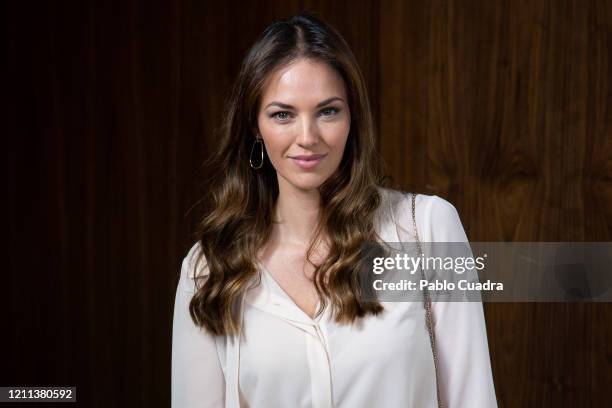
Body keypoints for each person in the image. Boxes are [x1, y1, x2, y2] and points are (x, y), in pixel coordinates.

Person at [171, 12, 497, 408]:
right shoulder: (209, 270)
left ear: (352, 117)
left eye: (328, 111)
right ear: (255, 127)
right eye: (282, 114)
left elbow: (472, 398)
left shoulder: (426, 229)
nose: (307, 138)